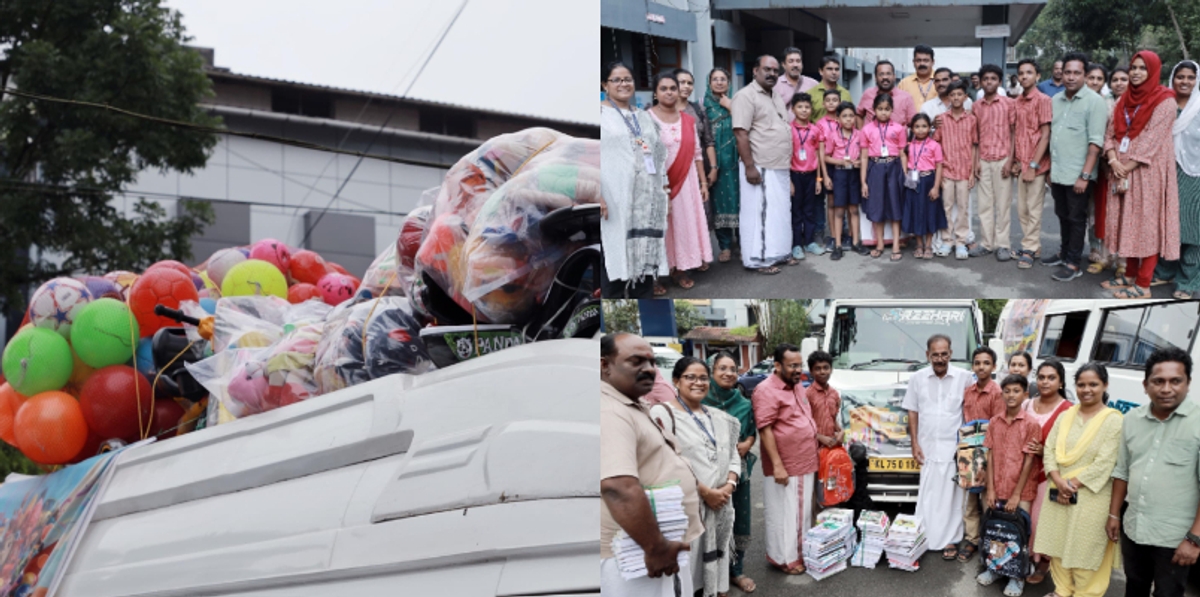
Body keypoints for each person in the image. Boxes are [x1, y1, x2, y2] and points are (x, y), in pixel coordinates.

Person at [600, 333, 700, 594]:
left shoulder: (633, 403)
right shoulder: (609, 411)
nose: (649, 369)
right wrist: (655, 547)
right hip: (637, 554)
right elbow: (617, 486)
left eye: (651, 362)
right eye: (636, 362)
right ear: (604, 365)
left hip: (655, 543)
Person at [1107, 347, 1199, 597]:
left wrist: (1194, 539)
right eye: (1158, 381)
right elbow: (1122, 470)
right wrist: (1114, 515)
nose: (1166, 388)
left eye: (1175, 381)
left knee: (1168, 593)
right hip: (1134, 528)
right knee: (1134, 586)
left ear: (1188, 383)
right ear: (1146, 385)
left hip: (1175, 537)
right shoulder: (1133, 419)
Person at [649, 357, 741, 597]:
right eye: (690, 377)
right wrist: (706, 492)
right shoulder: (663, 413)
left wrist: (728, 486)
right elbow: (667, 462)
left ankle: (716, 589)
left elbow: (733, 454)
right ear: (676, 381)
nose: (698, 382)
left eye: (703, 378)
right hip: (688, 507)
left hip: (721, 503)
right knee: (689, 571)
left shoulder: (719, 417)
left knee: (715, 559)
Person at [1033, 363, 1124, 597]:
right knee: (1058, 542)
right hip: (1059, 489)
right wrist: (1058, 480)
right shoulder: (1065, 415)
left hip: (1091, 496)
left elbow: (1106, 461)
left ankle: (1086, 593)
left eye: (1093, 384)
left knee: (1085, 548)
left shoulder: (1114, 420)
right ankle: (1062, 590)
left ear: (1105, 385)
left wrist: (1071, 485)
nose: (1087, 389)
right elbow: (1050, 450)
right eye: (1081, 384)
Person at [1101, 50, 1180, 299]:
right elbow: (1110, 134)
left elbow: (1152, 141)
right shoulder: (1122, 100)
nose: (1136, 73)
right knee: (1128, 224)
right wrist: (1113, 159)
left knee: (1146, 226)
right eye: (1133, 68)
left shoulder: (1166, 100)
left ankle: (1144, 284)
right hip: (1121, 170)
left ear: (1154, 71)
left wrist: (1125, 166)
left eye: (1142, 68)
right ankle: (1130, 274)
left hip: (1147, 173)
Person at [600, 62, 668, 298]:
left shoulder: (643, 116)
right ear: (604, 85)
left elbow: (657, 151)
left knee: (645, 266)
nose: (623, 84)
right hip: (614, 196)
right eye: (616, 80)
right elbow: (587, 156)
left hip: (646, 198)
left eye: (627, 79)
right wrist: (594, 193)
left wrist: (663, 182)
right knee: (616, 264)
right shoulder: (599, 115)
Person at [904, 334, 975, 558]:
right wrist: (914, 443)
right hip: (927, 447)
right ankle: (924, 536)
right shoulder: (917, 378)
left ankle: (951, 540)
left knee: (953, 497)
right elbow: (912, 411)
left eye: (944, 354)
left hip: (954, 448)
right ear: (927, 355)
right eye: (935, 354)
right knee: (928, 494)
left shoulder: (964, 378)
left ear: (950, 354)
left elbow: (973, 409)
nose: (940, 358)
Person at [752, 343, 820, 575]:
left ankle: (785, 555)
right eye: (792, 365)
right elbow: (765, 429)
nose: (797, 369)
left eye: (799, 365)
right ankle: (790, 559)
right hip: (788, 465)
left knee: (797, 513)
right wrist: (778, 466)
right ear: (777, 365)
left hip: (804, 461)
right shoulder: (765, 390)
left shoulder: (797, 384)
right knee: (791, 514)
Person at [976, 374, 1041, 596]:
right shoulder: (994, 422)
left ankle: (1017, 576)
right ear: (1001, 393)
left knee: (1019, 534)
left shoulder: (1031, 424)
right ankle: (995, 568)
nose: (1011, 395)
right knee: (996, 531)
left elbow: (1029, 460)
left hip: (1021, 490)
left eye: (1016, 391)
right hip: (996, 487)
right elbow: (991, 455)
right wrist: (991, 489)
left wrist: (1016, 495)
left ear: (1025, 394)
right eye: (1007, 391)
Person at [1045, 52, 1108, 283]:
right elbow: (1054, 137)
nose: (1071, 77)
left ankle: (1073, 263)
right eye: (1067, 72)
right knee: (1062, 215)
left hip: (1078, 174)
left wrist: (1084, 175)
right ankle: (1063, 253)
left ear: (1084, 75)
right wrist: (1051, 170)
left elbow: (1095, 142)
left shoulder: (1095, 102)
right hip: (1059, 172)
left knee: (1076, 218)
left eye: (1076, 73)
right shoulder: (1056, 100)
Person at [647, 72, 712, 293]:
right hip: (657, 182)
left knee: (682, 225)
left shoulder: (688, 120)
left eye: (672, 88)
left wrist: (703, 183)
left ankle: (679, 269)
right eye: (663, 88)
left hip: (687, 182)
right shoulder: (646, 119)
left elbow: (697, 154)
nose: (669, 92)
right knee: (659, 228)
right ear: (655, 93)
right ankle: (655, 274)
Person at [732, 55, 793, 276]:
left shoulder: (775, 95)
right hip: (760, 165)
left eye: (776, 71)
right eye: (767, 69)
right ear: (755, 71)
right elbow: (741, 132)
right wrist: (750, 166)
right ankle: (758, 259)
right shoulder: (745, 96)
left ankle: (776, 253)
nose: (772, 74)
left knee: (777, 213)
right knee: (760, 214)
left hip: (778, 165)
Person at [702, 352, 758, 594]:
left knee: (738, 522)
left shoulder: (743, 404)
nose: (728, 373)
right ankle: (707, 577)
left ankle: (735, 571)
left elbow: (751, 431)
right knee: (709, 524)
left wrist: (748, 442)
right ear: (711, 371)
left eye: (733, 369)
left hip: (738, 474)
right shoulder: (699, 400)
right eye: (722, 368)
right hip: (707, 475)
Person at [1024, 359, 1074, 584]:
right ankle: (1022, 558)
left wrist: (1045, 451)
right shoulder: (1027, 404)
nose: (1045, 382)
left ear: (1061, 382)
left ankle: (1043, 563)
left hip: (1049, 475)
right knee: (1024, 519)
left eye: (1051, 377)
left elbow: (1070, 448)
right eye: (1041, 377)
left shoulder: (1068, 410)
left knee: (1042, 521)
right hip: (1023, 473)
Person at [1156, 60, 1200, 299]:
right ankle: (1165, 270)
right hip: (1167, 171)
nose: (1185, 81)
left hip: (1196, 175)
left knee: (1193, 230)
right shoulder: (1165, 104)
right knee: (1168, 223)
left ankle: (1189, 280)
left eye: (1190, 77)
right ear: (1172, 78)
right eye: (1180, 77)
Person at [959, 346, 1005, 564]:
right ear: (972, 366)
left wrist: (990, 459)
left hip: (988, 453)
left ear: (993, 366)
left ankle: (989, 542)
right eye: (977, 363)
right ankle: (972, 539)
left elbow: (998, 427)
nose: (981, 367)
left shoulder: (997, 393)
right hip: (968, 451)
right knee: (970, 500)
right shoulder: (968, 391)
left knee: (988, 500)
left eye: (986, 363)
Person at [972, 64, 1017, 262]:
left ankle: (1003, 245)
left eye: (993, 78)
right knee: (984, 205)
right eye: (985, 79)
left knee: (1003, 205)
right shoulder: (976, 106)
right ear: (980, 82)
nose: (989, 82)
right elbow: (976, 137)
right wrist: (976, 162)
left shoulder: (1009, 104)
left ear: (999, 81)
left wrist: (1011, 160)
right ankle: (986, 244)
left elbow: (1015, 133)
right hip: (984, 160)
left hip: (1003, 159)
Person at [1011, 59, 1053, 269]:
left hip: (1036, 165)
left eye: (1029, 72)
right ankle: (1033, 245)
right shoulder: (1017, 101)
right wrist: (1016, 162)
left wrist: (1034, 166)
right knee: (1022, 210)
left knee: (1034, 209)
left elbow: (1045, 135)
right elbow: (1017, 133)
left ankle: (1028, 248)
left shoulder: (1044, 100)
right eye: (1021, 73)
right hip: (1022, 163)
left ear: (1037, 76)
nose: (1024, 76)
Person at [934, 81, 979, 261]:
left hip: (963, 171)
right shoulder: (942, 119)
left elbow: (975, 146)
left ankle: (961, 242)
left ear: (965, 97)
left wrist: (972, 172)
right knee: (946, 207)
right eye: (952, 95)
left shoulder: (971, 120)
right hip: (946, 170)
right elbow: (936, 143)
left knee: (963, 208)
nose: (956, 98)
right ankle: (947, 240)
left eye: (959, 94)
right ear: (948, 98)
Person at [859, 92, 908, 261]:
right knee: (877, 206)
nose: (883, 112)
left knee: (895, 206)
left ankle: (895, 244)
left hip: (894, 167)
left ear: (892, 110)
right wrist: (863, 182)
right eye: (880, 109)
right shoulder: (866, 129)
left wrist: (905, 176)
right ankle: (879, 243)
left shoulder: (899, 128)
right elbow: (864, 157)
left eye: (887, 109)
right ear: (873, 110)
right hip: (875, 167)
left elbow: (902, 154)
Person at [704, 67, 741, 264]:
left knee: (741, 203)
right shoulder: (705, 107)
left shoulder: (738, 103)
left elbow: (748, 124)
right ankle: (725, 246)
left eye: (723, 79)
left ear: (729, 82)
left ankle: (744, 244)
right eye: (715, 79)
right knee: (720, 204)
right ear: (709, 83)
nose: (719, 82)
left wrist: (731, 106)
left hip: (738, 162)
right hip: (716, 164)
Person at [1084, 63, 1117, 276]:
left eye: (1099, 79)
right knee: (1089, 210)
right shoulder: (1080, 101)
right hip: (1084, 163)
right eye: (1091, 78)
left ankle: (1111, 251)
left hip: (1106, 163)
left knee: (1106, 208)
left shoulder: (1109, 103)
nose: (1095, 82)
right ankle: (1094, 247)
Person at [824, 101, 867, 259]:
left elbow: (864, 156)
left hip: (854, 174)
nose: (849, 119)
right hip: (840, 174)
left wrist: (859, 163)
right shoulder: (833, 135)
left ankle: (856, 242)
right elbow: (826, 157)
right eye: (845, 116)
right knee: (839, 209)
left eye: (851, 116)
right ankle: (838, 244)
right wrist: (841, 162)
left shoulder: (860, 134)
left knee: (854, 209)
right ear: (838, 119)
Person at [788, 92, 827, 262]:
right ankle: (796, 244)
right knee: (796, 211)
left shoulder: (815, 130)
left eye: (807, 107)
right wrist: (788, 181)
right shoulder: (788, 130)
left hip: (811, 176)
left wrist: (819, 179)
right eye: (800, 107)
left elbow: (818, 155)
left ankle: (809, 242)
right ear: (793, 109)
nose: (804, 110)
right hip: (794, 175)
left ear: (811, 109)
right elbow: (785, 155)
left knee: (809, 211)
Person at [901, 113, 945, 259]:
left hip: (928, 181)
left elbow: (939, 166)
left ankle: (928, 244)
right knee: (915, 212)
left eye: (924, 126)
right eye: (917, 127)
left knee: (929, 212)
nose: (920, 130)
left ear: (930, 128)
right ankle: (919, 244)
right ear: (912, 129)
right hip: (914, 183)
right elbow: (904, 163)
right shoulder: (908, 146)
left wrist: (936, 187)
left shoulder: (935, 145)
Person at [816, 88, 846, 252]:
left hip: (845, 166)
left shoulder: (845, 120)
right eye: (828, 100)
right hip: (830, 165)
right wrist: (823, 176)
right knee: (832, 202)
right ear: (823, 103)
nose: (832, 103)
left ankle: (843, 235)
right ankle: (834, 237)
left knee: (846, 202)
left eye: (835, 100)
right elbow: (820, 152)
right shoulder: (820, 124)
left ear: (839, 102)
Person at [858, 61, 917, 127]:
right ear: (875, 77)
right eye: (881, 74)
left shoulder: (906, 97)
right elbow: (858, 115)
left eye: (888, 74)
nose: (885, 77)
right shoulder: (868, 94)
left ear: (894, 76)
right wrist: (861, 133)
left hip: (897, 136)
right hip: (870, 136)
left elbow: (914, 123)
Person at [806, 350, 843, 451]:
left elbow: (833, 419)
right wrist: (819, 437)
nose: (822, 372)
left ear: (831, 370)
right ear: (811, 372)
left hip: (831, 448)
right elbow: (802, 424)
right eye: (818, 368)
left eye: (826, 368)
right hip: (812, 449)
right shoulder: (807, 394)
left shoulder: (835, 394)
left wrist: (841, 432)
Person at [776, 47, 819, 120]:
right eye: (791, 61)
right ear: (783, 64)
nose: (795, 65)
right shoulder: (775, 85)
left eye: (798, 61)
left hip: (807, 130)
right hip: (783, 129)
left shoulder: (813, 84)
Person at [811, 56, 853, 121]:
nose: (834, 72)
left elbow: (851, 117)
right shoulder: (811, 94)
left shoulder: (845, 93)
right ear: (821, 71)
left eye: (837, 69)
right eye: (829, 69)